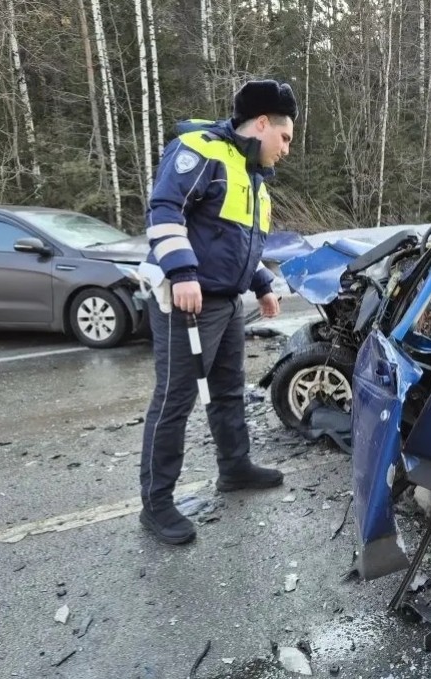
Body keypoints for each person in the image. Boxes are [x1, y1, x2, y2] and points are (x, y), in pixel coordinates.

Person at [138, 79, 296, 544]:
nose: (286, 150)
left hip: (226, 302)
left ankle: (234, 467)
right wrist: (182, 272)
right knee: (174, 400)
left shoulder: (253, 177)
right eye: (284, 138)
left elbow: (242, 244)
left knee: (228, 391)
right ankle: (157, 503)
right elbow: (165, 208)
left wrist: (263, 283)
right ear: (263, 123)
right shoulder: (200, 149)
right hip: (186, 300)